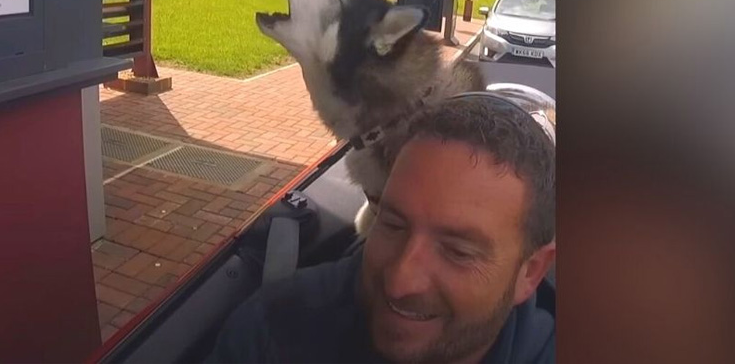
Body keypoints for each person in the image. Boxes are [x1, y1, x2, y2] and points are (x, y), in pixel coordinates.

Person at [207, 92, 556, 363]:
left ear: (531, 272)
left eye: (457, 251)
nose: (400, 281)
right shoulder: (274, 331)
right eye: (392, 225)